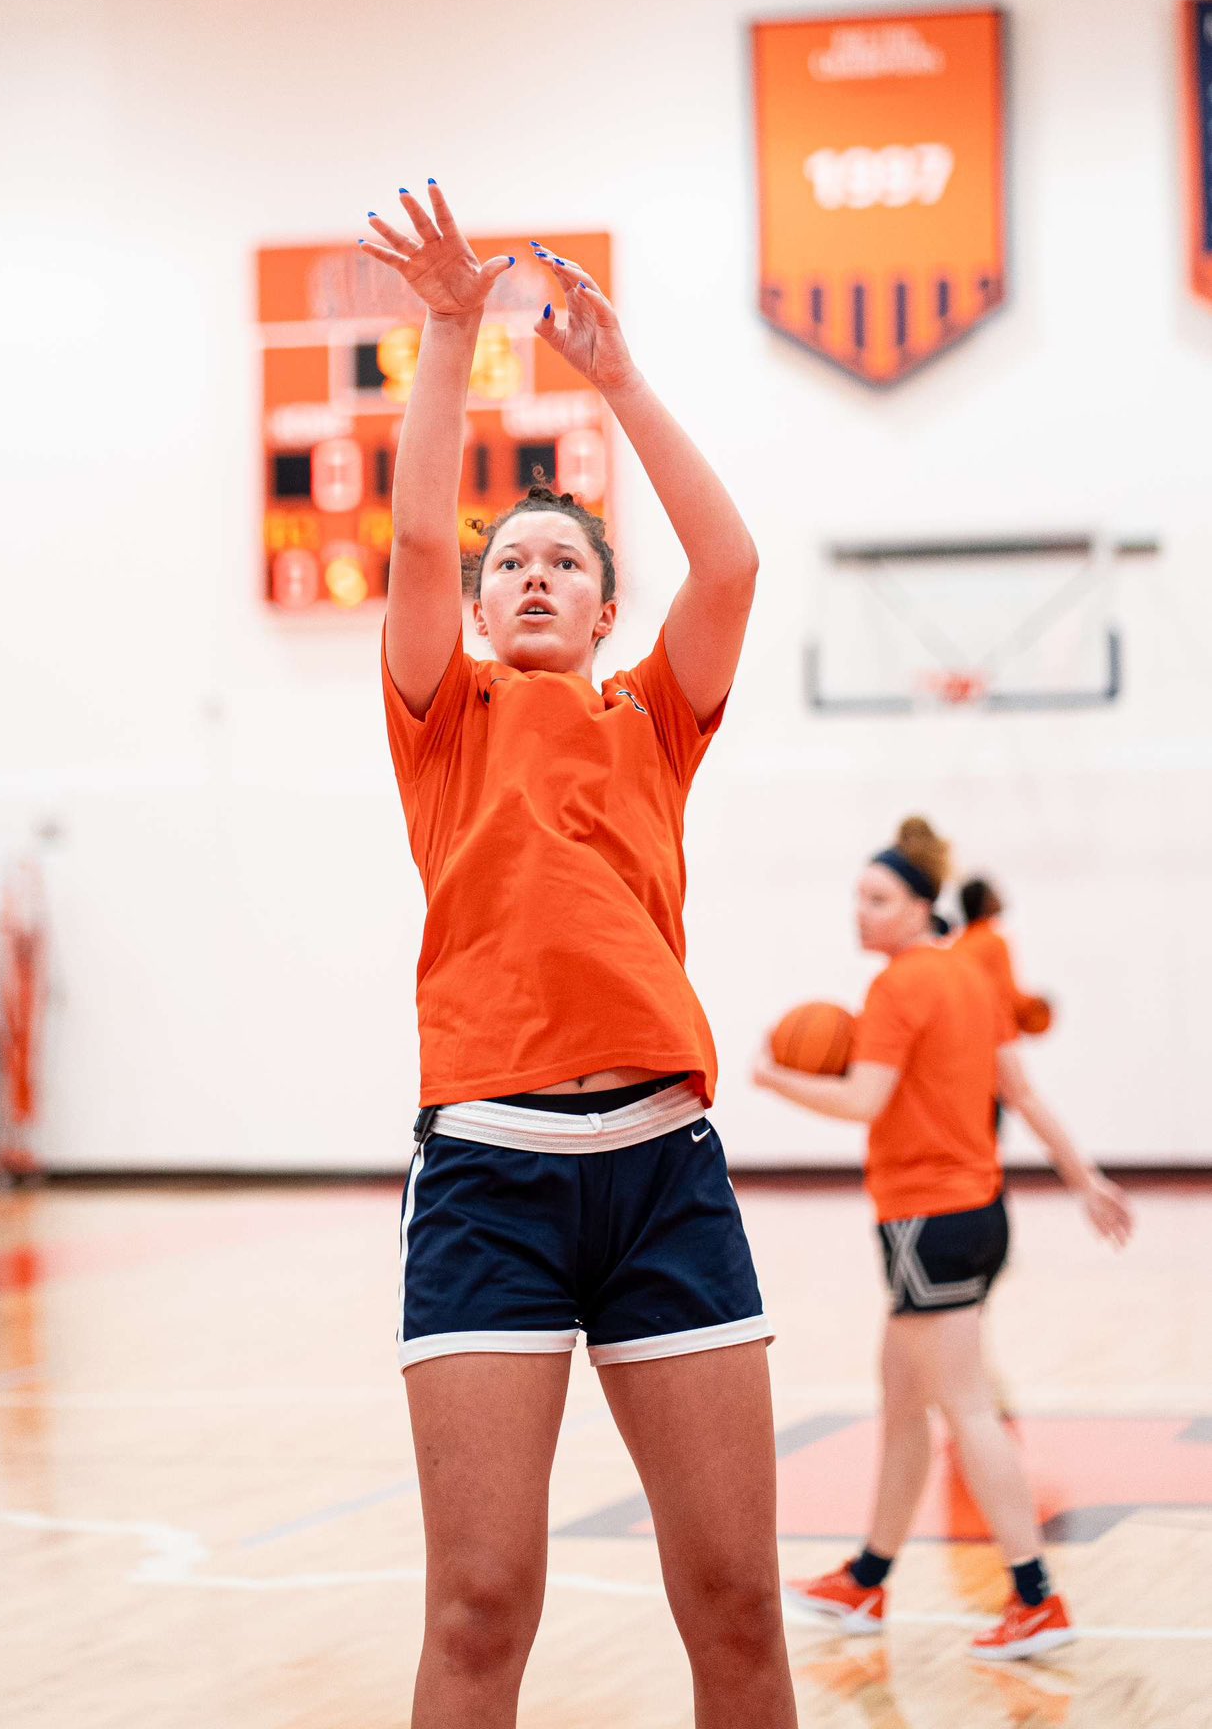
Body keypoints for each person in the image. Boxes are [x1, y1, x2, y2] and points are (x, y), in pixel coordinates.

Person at [361, 183, 796, 1729]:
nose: (531, 575)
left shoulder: (651, 722)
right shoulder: (449, 718)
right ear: (477, 614)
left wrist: (619, 378)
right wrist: (451, 327)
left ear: (609, 613)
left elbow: (733, 567)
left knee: (738, 1602)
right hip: (489, 1176)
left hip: (666, 1169)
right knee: (482, 1606)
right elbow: (417, 531)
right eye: (510, 567)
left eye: (563, 564)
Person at [752, 816, 1132, 1663]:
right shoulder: (967, 976)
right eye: (857, 896)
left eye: (879, 898)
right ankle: (868, 1578)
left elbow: (861, 1102)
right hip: (978, 1216)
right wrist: (1085, 1179)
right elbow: (1023, 1095)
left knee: (965, 1409)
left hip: (928, 1217)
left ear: (921, 906)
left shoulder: (898, 990)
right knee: (900, 1397)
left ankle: (1036, 1598)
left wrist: (772, 1075)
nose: (862, 911)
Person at [956, 876, 1054, 1040]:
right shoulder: (994, 941)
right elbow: (1009, 997)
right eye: (993, 892)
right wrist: (1040, 1007)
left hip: (967, 1034)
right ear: (985, 902)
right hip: (996, 1036)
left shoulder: (959, 944)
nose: (999, 896)